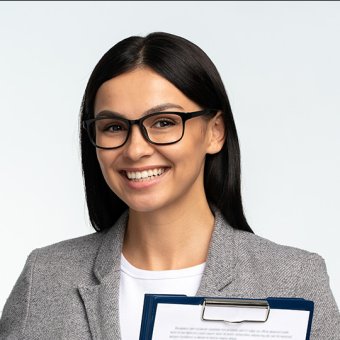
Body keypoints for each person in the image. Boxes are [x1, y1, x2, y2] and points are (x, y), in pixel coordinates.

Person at [0, 32, 339, 340]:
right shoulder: (46, 275)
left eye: (163, 122)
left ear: (215, 131)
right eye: (114, 127)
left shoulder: (294, 278)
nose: (135, 149)